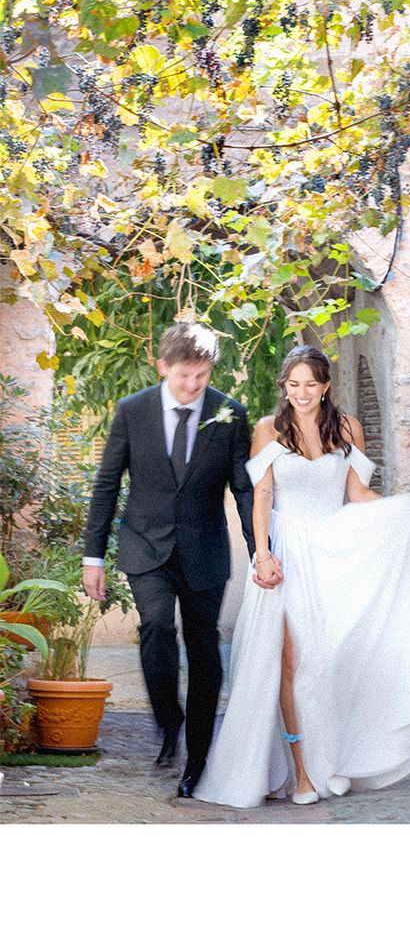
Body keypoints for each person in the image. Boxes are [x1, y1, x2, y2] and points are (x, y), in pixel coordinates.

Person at [193, 345, 410, 808]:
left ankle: (330, 756)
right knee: (289, 662)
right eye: (294, 384)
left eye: (311, 384)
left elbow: (357, 493)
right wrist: (262, 555)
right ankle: (301, 774)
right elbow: (262, 495)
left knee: (324, 662)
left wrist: (407, 510)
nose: (302, 393)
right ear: (284, 387)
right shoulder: (269, 429)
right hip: (286, 552)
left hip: (334, 550)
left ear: (325, 386)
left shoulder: (348, 428)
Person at [82, 322, 258, 798]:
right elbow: (107, 485)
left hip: (205, 549)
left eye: (202, 375)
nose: (193, 385)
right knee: (157, 627)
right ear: (162, 366)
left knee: (204, 646)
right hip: (145, 546)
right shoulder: (132, 410)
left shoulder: (230, 413)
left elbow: (243, 489)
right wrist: (93, 556)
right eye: (184, 375)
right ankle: (168, 720)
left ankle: (198, 757)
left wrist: (260, 550)